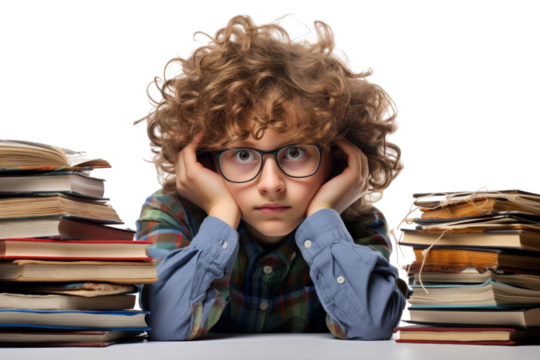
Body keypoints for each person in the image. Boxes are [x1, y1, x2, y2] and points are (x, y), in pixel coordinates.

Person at [132, 11, 408, 341]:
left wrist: (323, 217)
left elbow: (373, 324)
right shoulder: (170, 214)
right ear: (205, 162)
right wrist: (222, 213)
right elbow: (164, 325)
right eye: (243, 155)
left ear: (336, 160)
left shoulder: (357, 225)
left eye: (295, 153)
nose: (271, 184)